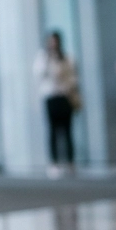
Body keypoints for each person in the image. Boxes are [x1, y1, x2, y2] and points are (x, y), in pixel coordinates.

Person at [36, 31, 80, 176]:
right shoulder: (43, 57)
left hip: (65, 96)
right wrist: (48, 59)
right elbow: (39, 74)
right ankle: (54, 163)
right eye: (51, 41)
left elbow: (73, 77)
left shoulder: (67, 58)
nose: (53, 44)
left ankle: (70, 161)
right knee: (53, 131)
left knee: (67, 130)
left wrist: (69, 88)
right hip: (51, 97)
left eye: (55, 41)